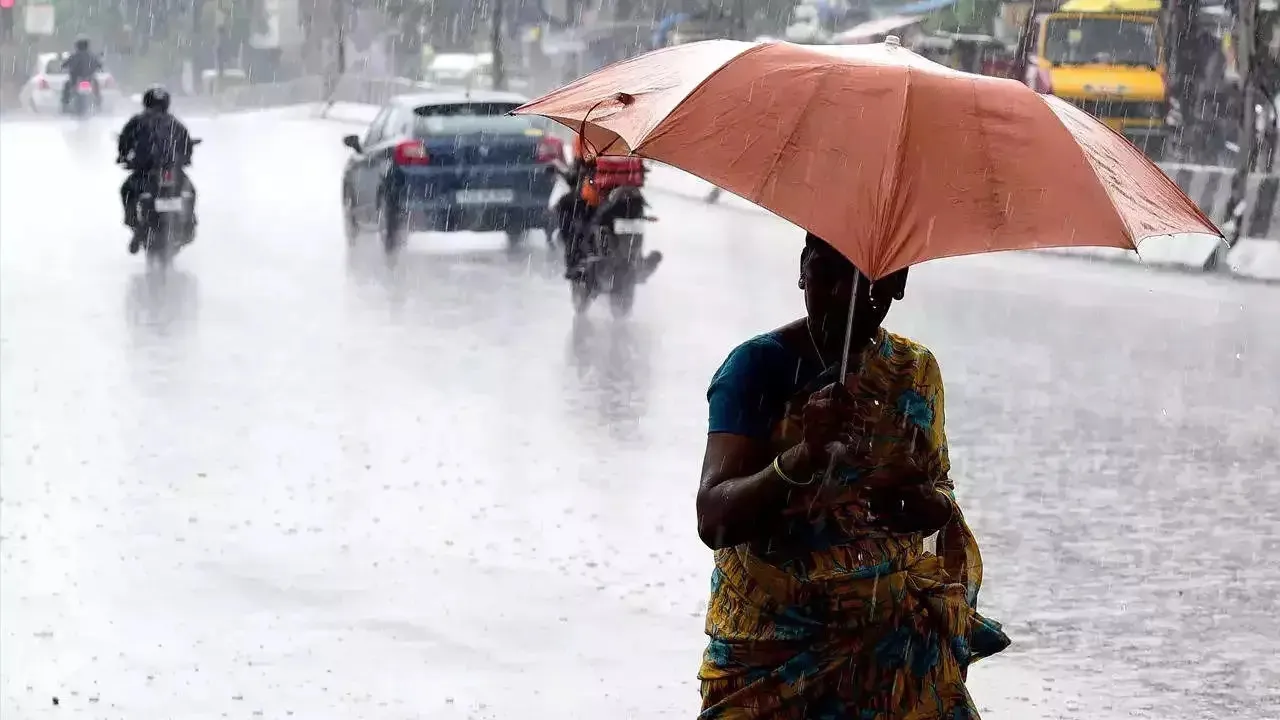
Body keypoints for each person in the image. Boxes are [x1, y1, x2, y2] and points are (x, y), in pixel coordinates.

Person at [695, 233, 1009, 718]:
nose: (846, 295)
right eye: (829, 273)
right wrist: (803, 455)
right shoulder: (757, 369)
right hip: (771, 657)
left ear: (899, 284)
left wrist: (924, 504)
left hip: (892, 648)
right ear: (803, 268)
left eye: (871, 282)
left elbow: (940, 492)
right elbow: (714, 517)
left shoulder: (913, 372)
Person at [117, 86, 198, 254]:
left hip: (146, 172)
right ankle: (189, 222)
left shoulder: (137, 122)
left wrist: (124, 156)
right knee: (191, 191)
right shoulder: (174, 123)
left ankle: (134, 223)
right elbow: (187, 146)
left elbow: (124, 143)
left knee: (126, 190)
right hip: (171, 171)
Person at [60, 36, 103, 112]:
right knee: (96, 84)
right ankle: (98, 102)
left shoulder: (74, 56)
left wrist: (63, 67)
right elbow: (99, 65)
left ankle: (65, 104)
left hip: (75, 81)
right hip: (89, 79)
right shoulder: (92, 56)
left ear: (77, 46)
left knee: (67, 85)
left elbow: (64, 65)